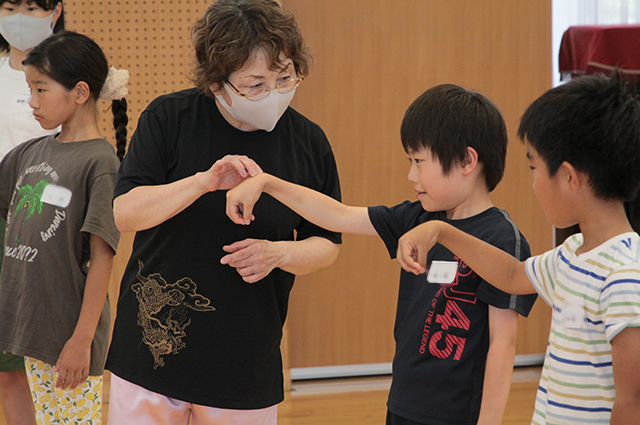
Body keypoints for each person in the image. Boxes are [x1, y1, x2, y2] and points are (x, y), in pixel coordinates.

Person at [227, 84, 538, 425]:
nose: (411, 175)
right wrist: (269, 183)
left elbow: (502, 347)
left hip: (456, 415)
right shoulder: (417, 217)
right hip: (402, 405)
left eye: (419, 161)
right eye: (410, 161)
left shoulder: (503, 240)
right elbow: (339, 215)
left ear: (467, 160)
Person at [104, 0, 342, 423]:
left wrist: (279, 255)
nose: (273, 92)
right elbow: (125, 213)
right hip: (152, 350)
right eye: (254, 84)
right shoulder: (169, 118)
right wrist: (203, 182)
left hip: (245, 359)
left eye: (284, 76)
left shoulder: (309, 142)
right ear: (217, 83)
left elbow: (327, 243)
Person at [395, 73, 640, 425]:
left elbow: (632, 402)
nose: (533, 181)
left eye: (534, 167)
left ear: (570, 178)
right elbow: (510, 274)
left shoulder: (624, 276)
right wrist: (441, 231)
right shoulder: (571, 253)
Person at [0, 30, 128, 423]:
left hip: (67, 337)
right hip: (31, 328)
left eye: (40, 90)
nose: (32, 103)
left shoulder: (99, 163)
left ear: (80, 92)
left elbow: (101, 260)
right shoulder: (31, 151)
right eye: (29, 90)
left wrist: (81, 341)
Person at [0, 1, 63, 424]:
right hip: (2, 222)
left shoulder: (70, 74)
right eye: (10, 6)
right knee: (7, 368)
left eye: (32, 7)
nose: (20, 16)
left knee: (53, 361)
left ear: (56, 10)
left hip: (50, 225)